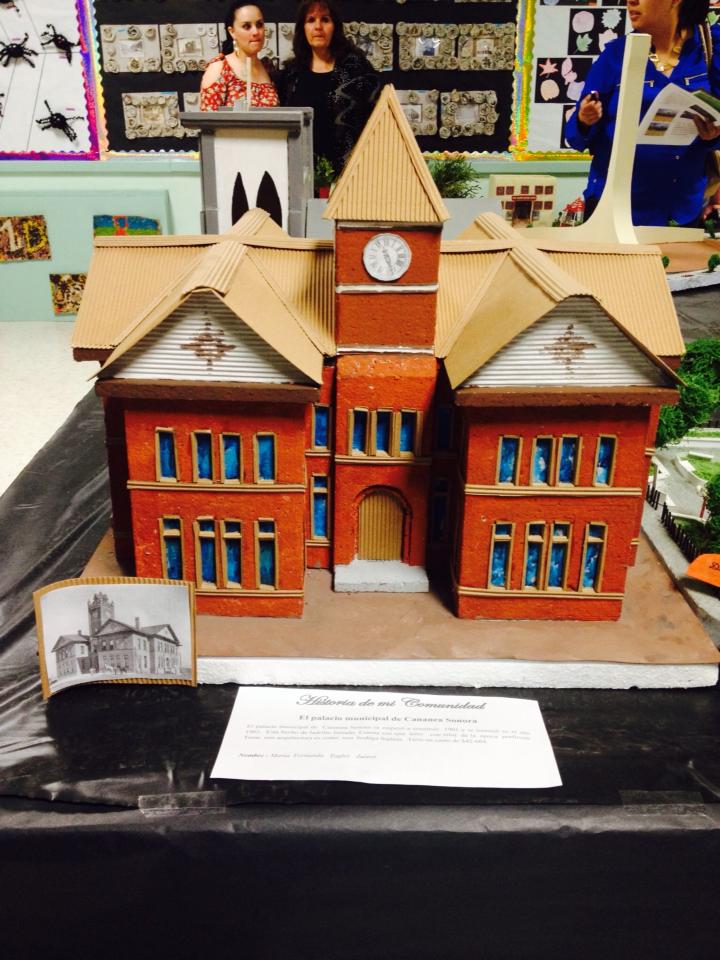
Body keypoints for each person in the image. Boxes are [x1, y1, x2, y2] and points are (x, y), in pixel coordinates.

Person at [565, 0, 720, 226]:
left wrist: (712, 136)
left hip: (681, 211)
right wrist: (584, 120)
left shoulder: (709, 49)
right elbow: (575, 136)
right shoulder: (616, 54)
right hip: (614, 211)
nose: (631, 1)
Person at [277, 0, 382, 177]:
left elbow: (376, 122)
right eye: (311, 20)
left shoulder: (356, 71)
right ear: (303, 28)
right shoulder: (290, 75)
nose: (318, 27)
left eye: (325, 19)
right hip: (301, 174)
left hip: (351, 174)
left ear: (335, 26)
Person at [200, 2, 278, 111]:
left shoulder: (268, 68)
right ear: (232, 32)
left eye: (259, 24)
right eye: (247, 26)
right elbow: (208, 119)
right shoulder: (220, 68)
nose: (256, 32)